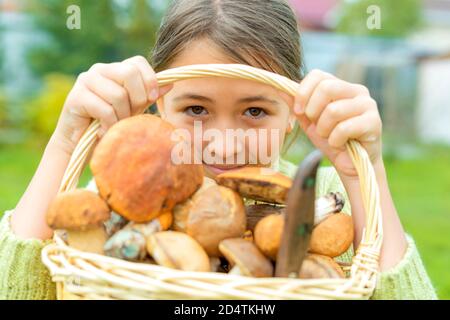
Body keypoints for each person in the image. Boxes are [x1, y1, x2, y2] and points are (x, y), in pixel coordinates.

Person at [0, 0, 436, 299]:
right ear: (158, 106)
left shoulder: (325, 198)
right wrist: (67, 142)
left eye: (254, 111)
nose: (221, 140)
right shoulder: (128, 200)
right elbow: (17, 288)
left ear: (292, 112)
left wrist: (365, 173)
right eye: (195, 108)